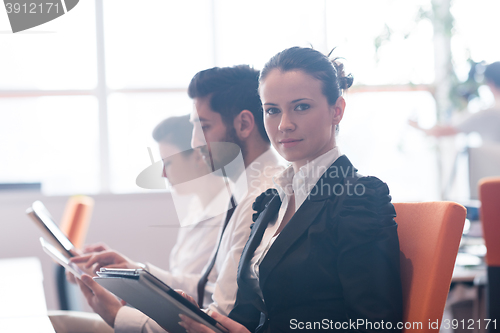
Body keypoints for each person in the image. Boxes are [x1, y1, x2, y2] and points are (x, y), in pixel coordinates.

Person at [179, 47, 403, 333]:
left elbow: (376, 326)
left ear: (337, 111)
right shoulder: (271, 201)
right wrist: (202, 321)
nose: (284, 125)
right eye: (272, 110)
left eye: (301, 106)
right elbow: (248, 315)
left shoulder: (358, 199)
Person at [73, 65, 284, 332]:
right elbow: (207, 287)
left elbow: (218, 317)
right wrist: (136, 273)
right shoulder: (243, 190)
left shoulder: (262, 197)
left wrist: (118, 315)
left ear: (243, 124)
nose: (195, 142)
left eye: (203, 126)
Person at [69, 115, 227, 329]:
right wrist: (127, 273)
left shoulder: (225, 217)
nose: (163, 173)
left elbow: (199, 294)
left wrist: (130, 280)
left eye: (168, 162)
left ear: (198, 156)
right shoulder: (195, 209)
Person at [409, 61, 500, 143]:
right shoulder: (490, 112)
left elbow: (441, 132)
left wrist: (416, 126)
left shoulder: (488, 113)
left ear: (490, 83)